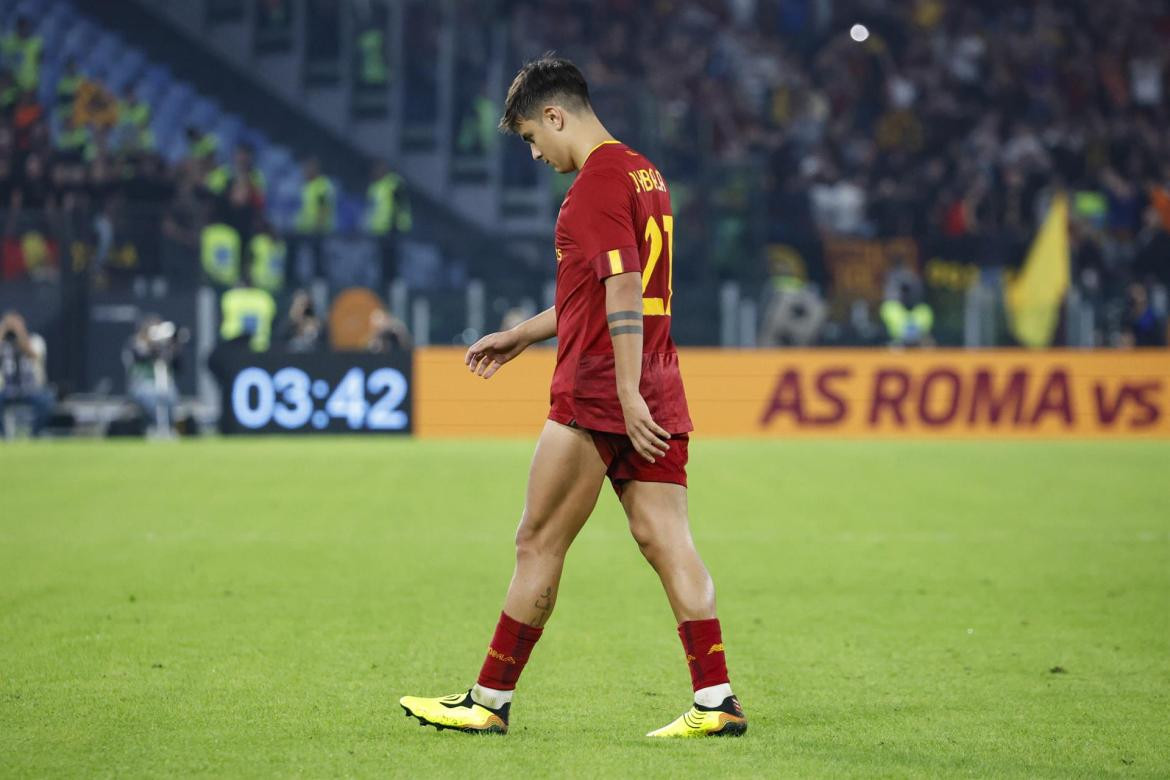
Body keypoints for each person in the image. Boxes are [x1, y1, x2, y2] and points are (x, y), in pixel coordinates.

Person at [399, 56, 746, 738]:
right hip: (657, 379)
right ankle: (716, 698)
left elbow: (620, 292)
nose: (535, 153)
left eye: (532, 136)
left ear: (556, 115)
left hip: (600, 389)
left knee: (537, 540)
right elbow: (601, 290)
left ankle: (488, 700)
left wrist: (620, 391)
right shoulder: (647, 173)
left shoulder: (594, 187)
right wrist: (523, 334)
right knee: (667, 537)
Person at [0, 311, 52, 437]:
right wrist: (3, 330)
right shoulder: (4, 345)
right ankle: (4, 436)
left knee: (47, 400)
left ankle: (34, 435)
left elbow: (33, 354)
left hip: (30, 390)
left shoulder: (35, 340)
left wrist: (19, 332)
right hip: (8, 389)